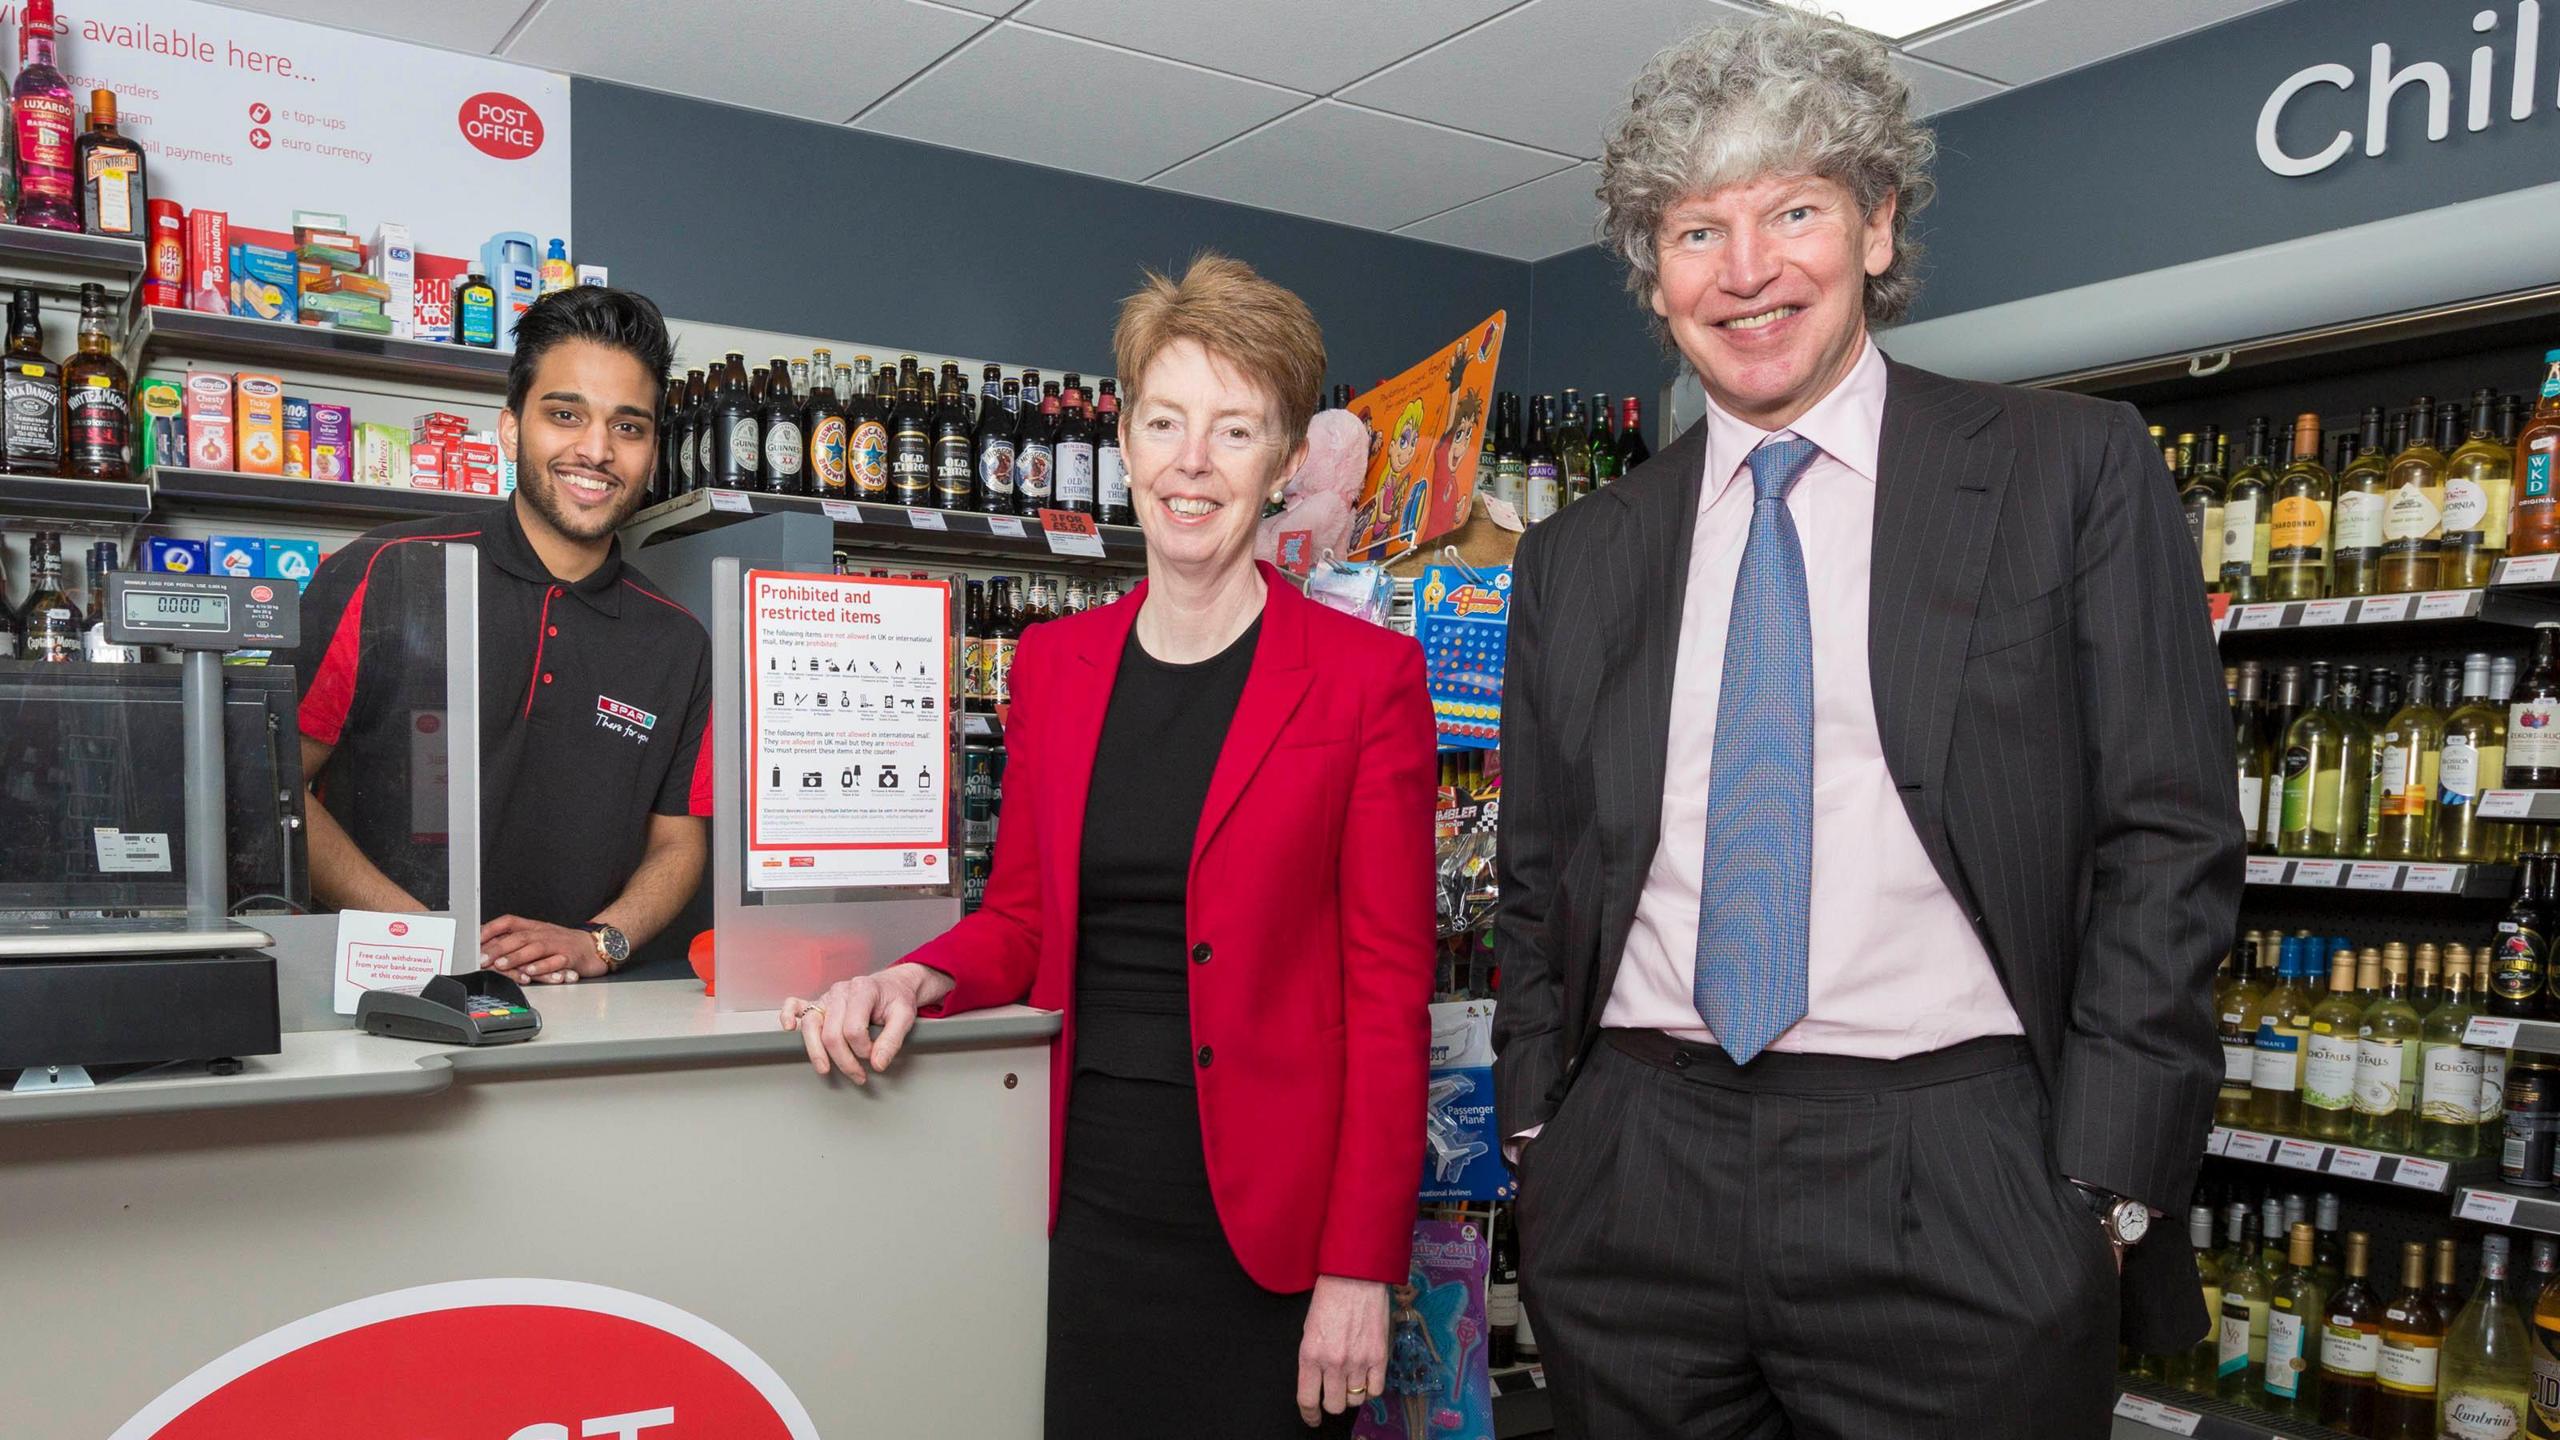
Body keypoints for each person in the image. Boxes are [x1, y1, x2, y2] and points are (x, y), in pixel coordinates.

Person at [1490, 12, 2242, 1437]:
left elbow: (2170, 838)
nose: (1748, 269)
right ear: (1656, 280)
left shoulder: (2068, 472)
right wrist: (1545, 1127)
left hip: (1957, 1169)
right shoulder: (1576, 557)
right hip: (1635, 1169)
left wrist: (2103, 1182)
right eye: (1695, 231)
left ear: (1879, 228)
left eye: (1793, 211)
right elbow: (1540, 873)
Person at [781, 254, 1436, 1438]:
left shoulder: (1365, 681)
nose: (1192, 463)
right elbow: (1023, 917)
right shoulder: (1056, 666)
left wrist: (1360, 1266)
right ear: (1125, 441)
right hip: (1079, 1204)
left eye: (1234, 431)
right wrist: (914, 973)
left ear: (1284, 465)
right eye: (1166, 421)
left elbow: (1389, 996)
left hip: (1272, 1231)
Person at [290, 286, 712, 983]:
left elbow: (678, 843)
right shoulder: (382, 571)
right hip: (377, 989)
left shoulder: (676, 640)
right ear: (512, 428)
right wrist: (421, 938)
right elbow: (277, 787)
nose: (597, 450)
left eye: (629, 427)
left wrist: (600, 942)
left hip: (578, 1008)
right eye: (565, 414)